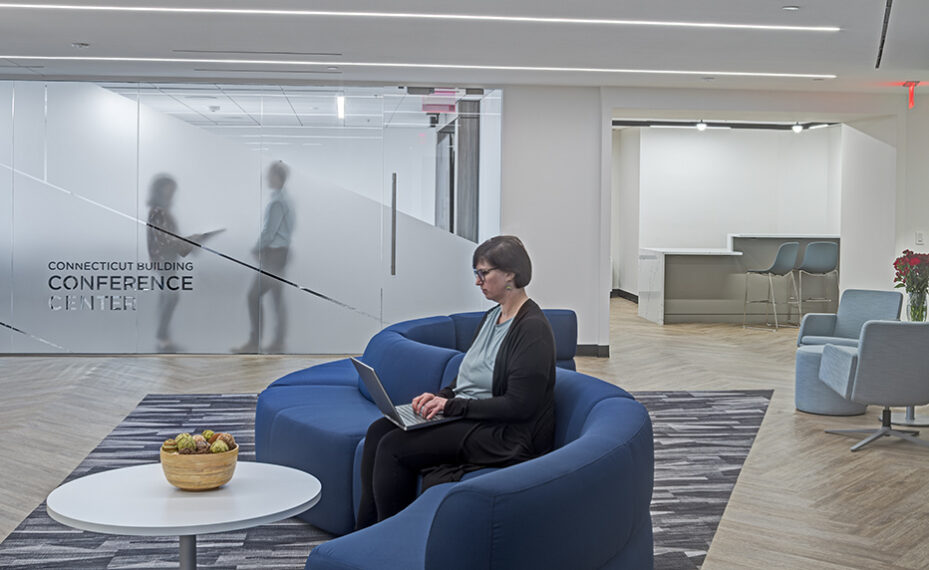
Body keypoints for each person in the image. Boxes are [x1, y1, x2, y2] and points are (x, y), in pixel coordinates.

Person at [354, 235, 556, 530]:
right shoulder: (491, 317)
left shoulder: (532, 329)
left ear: (510, 274)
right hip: (468, 414)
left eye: (483, 273)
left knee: (393, 447)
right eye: (477, 273)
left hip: (502, 432)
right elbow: (467, 377)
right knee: (378, 431)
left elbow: (520, 406)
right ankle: (364, 532)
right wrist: (440, 397)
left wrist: (451, 407)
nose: (478, 281)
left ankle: (391, 536)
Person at [234, 161, 295, 354]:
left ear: (277, 177)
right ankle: (278, 342)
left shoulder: (277, 201)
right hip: (281, 253)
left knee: (253, 296)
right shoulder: (287, 200)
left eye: (269, 175)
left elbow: (269, 231)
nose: (267, 179)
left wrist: (256, 247)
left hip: (274, 255)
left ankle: (255, 342)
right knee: (277, 298)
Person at [146, 174, 195, 352]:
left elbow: (167, 239)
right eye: (168, 189)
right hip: (164, 260)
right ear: (159, 190)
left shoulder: (162, 211)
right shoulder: (159, 211)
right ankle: (162, 337)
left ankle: (163, 338)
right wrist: (189, 243)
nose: (172, 193)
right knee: (171, 297)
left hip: (167, 260)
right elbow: (163, 240)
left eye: (173, 190)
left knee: (167, 297)